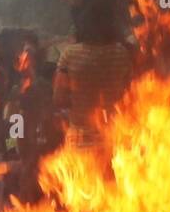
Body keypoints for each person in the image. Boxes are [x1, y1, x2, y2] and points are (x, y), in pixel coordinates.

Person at [53, 18, 132, 149]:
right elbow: (131, 94)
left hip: (80, 142)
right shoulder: (122, 53)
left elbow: (59, 99)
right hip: (114, 140)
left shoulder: (70, 54)